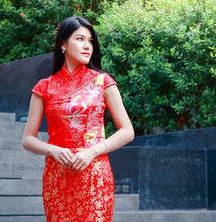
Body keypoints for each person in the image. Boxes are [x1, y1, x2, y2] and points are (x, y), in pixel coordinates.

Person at [22, 16, 134, 221]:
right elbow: (28, 139)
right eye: (80, 39)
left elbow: (127, 131)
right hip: (57, 177)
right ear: (63, 44)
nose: (87, 46)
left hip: (94, 175)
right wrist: (52, 150)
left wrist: (93, 151)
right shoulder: (44, 87)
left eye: (90, 41)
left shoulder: (103, 82)